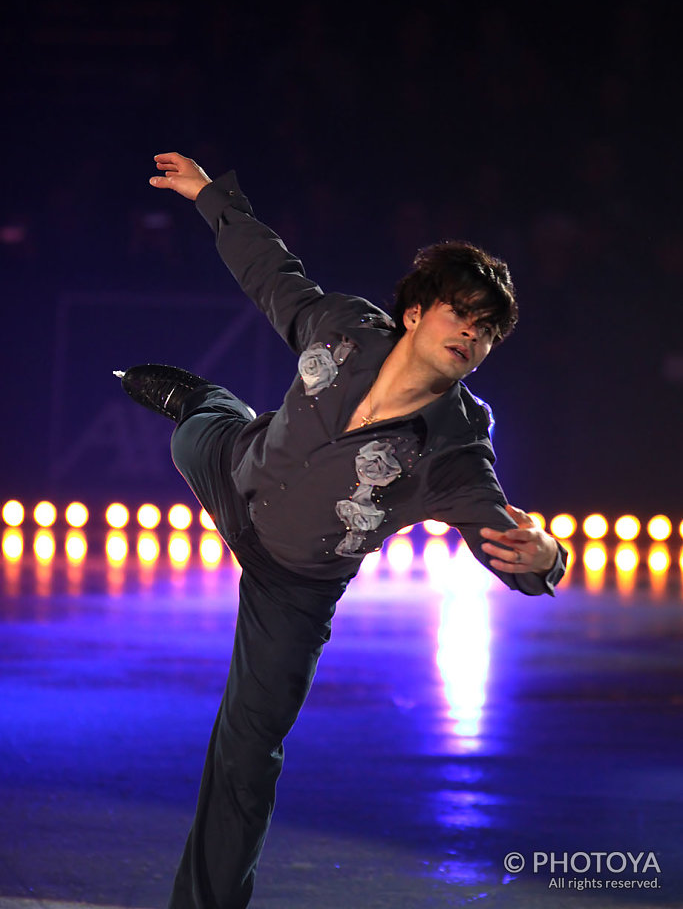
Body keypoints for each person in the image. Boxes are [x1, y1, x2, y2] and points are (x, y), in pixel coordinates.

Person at [117, 151, 567, 909]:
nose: (473, 334)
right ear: (418, 311)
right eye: (462, 312)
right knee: (194, 428)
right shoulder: (343, 328)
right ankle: (199, 400)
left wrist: (547, 556)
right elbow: (271, 272)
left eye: (488, 330)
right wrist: (208, 198)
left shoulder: (454, 452)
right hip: (236, 466)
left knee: (248, 754)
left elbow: (514, 552)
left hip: (292, 583)